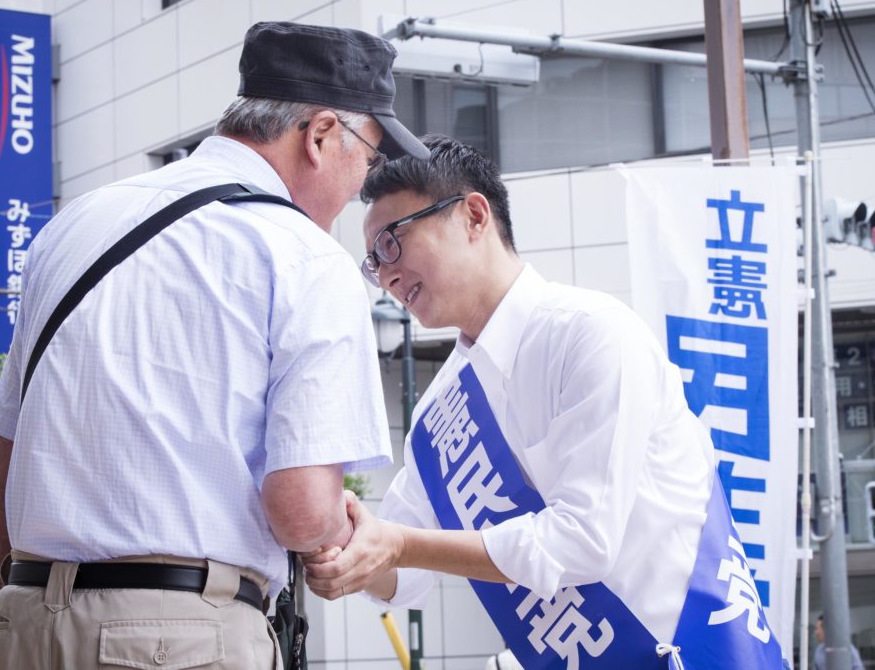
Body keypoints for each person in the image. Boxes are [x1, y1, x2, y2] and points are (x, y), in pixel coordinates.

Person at [0, 21, 428, 669]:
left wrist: (19, 605)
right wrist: (349, 536)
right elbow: (302, 512)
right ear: (321, 134)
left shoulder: (75, 222)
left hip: (19, 624)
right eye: (370, 157)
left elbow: (5, 448)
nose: (364, 180)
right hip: (177, 638)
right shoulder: (304, 255)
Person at [304, 135, 786, 668]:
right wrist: (338, 537)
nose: (386, 276)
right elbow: (404, 575)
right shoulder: (438, 414)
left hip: (697, 653)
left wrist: (397, 545)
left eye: (392, 243)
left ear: (474, 215)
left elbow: (582, 540)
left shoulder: (593, 334)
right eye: (373, 262)